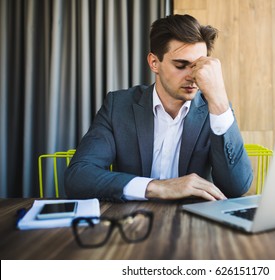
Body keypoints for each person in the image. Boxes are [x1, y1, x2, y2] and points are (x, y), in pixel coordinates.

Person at [65, 14, 253, 202]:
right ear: (154, 63)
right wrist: (155, 187)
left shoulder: (215, 109)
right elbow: (78, 177)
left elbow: (237, 187)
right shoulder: (119, 106)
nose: (193, 76)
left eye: (199, 66)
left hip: (196, 223)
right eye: (181, 65)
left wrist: (219, 99)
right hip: (133, 221)